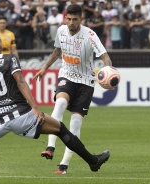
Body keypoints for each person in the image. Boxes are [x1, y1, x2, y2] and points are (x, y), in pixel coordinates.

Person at [0, 31, 110, 184]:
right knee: (60, 128)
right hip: (19, 115)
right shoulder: (9, 58)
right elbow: (20, 81)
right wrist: (34, 107)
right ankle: (93, 162)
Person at [33, 4, 112, 175]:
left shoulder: (90, 35)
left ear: (81, 19)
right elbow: (57, 52)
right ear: (65, 18)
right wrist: (45, 68)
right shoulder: (61, 31)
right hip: (67, 75)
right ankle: (50, 146)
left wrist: (108, 70)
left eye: (75, 19)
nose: (71, 22)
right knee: (60, 102)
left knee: (75, 123)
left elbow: (105, 56)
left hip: (86, 82)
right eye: (68, 19)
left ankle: (63, 165)